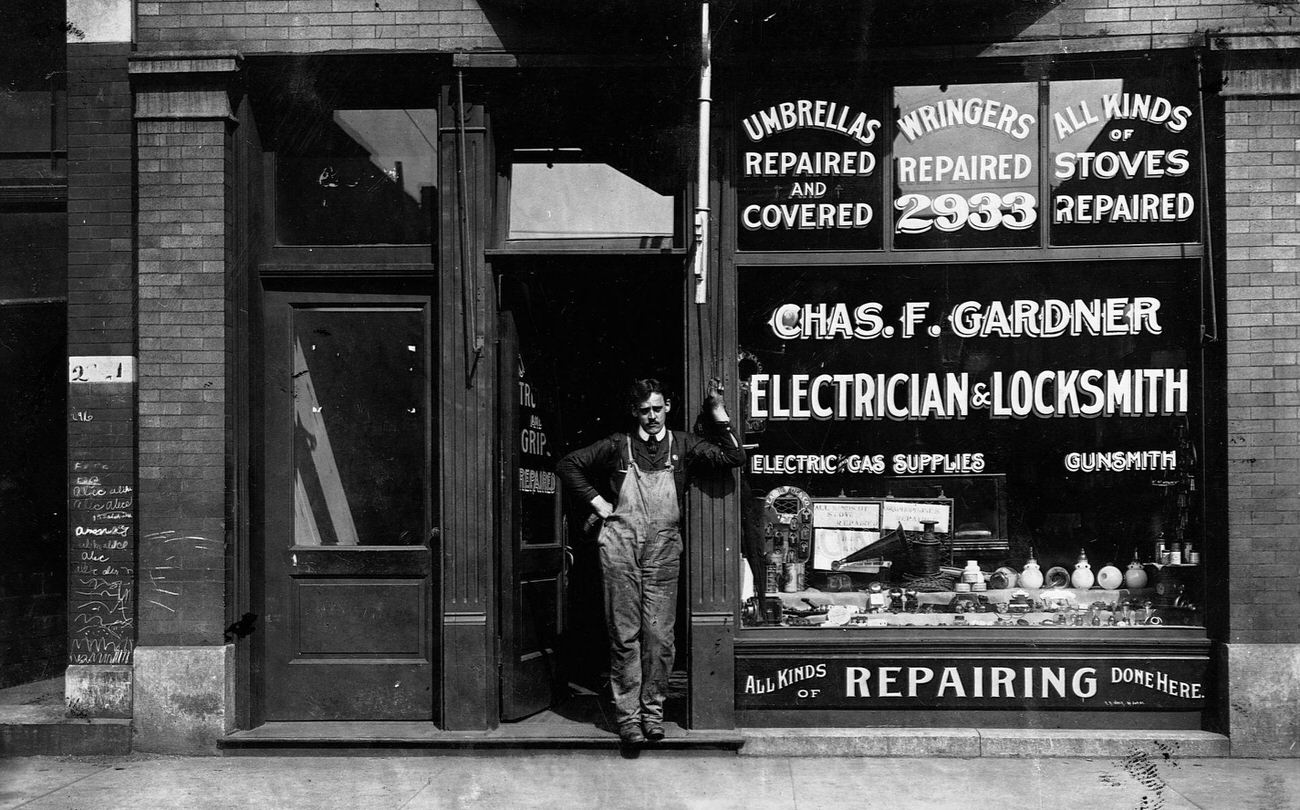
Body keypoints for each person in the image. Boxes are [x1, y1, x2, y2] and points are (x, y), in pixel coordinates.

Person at [557, 378, 745, 745]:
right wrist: (599, 503)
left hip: (662, 550)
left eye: (658, 409)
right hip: (620, 547)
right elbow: (568, 465)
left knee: (659, 637)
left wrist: (718, 411)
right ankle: (628, 718)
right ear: (634, 412)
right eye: (644, 411)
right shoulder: (617, 445)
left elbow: (734, 457)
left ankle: (653, 713)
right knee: (624, 635)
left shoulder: (684, 444)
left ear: (668, 407)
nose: (652, 417)